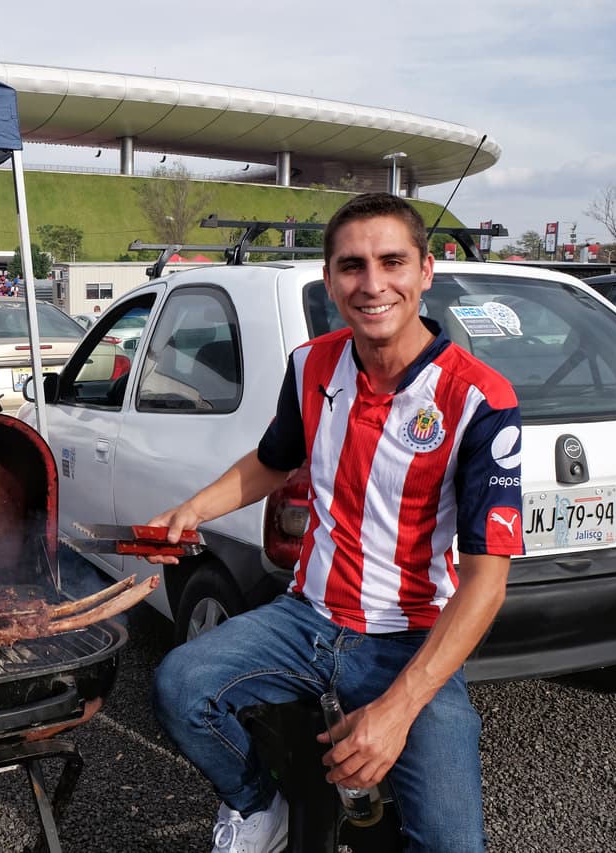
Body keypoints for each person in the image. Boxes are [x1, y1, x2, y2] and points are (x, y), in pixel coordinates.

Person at [147, 192, 523, 853]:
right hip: (307, 618)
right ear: (329, 279)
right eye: (352, 265)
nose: (372, 284)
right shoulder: (311, 364)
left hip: (409, 636)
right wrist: (190, 512)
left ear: (426, 271)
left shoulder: (478, 398)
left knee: (454, 843)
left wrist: (396, 712)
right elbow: (273, 461)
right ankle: (259, 807)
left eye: (392, 262)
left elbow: (487, 584)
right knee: (180, 686)